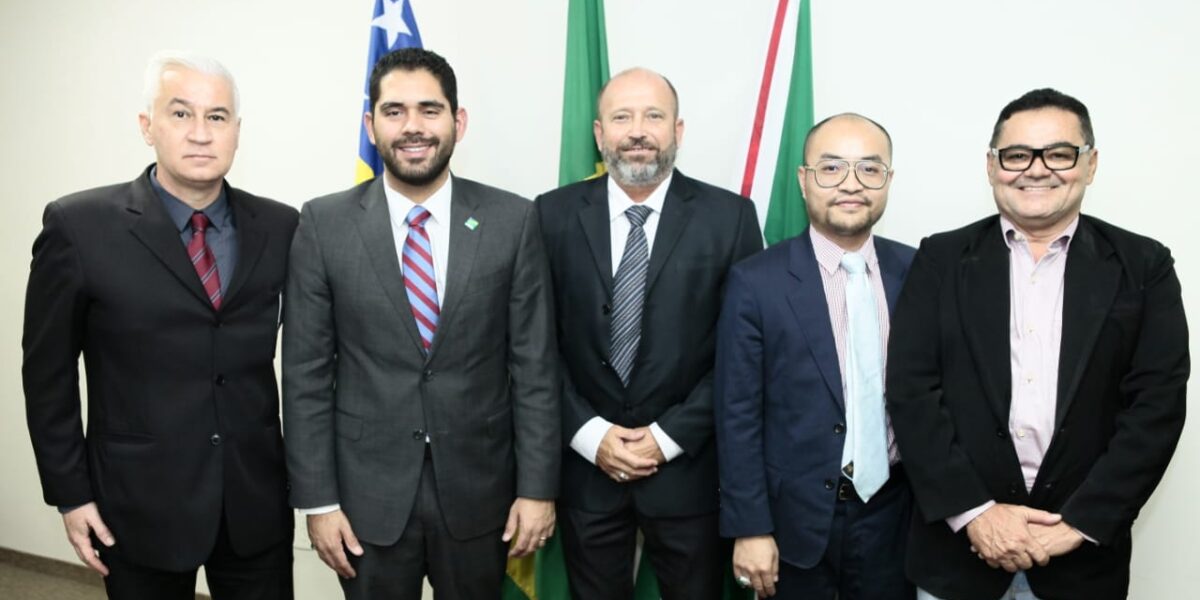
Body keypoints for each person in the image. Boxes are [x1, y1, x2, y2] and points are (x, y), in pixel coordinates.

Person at [887, 88, 1188, 600]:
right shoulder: (940, 259)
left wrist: (1080, 523)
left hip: (1082, 563)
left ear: (1090, 164)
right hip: (957, 558)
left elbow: (1156, 407)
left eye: (1060, 153)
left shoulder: (1144, 266)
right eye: (1017, 155)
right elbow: (912, 393)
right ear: (991, 166)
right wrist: (976, 514)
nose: (1037, 169)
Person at [282, 47, 559, 599]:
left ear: (458, 121)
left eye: (430, 110)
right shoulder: (323, 223)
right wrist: (318, 502)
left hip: (483, 498)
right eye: (394, 111)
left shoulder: (514, 220)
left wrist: (537, 490)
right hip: (366, 502)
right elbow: (306, 374)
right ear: (371, 124)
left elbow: (534, 367)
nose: (413, 127)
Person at [22, 51, 297, 599]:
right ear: (147, 126)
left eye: (217, 117)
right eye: (180, 114)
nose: (200, 133)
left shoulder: (283, 225)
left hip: (254, 505)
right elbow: (47, 374)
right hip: (135, 506)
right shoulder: (79, 226)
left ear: (237, 132)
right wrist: (71, 495)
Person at [535, 67, 763, 600]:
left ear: (678, 131)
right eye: (622, 117)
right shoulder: (551, 214)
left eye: (653, 116)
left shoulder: (729, 218)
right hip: (586, 474)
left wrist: (665, 440)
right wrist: (591, 435)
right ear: (598, 133)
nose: (638, 131)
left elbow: (743, 357)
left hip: (689, 475)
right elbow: (534, 346)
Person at [715, 113, 915, 599]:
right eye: (831, 169)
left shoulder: (918, 271)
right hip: (792, 526)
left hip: (898, 521)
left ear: (889, 180)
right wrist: (751, 527)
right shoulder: (756, 281)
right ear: (804, 182)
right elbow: (737, 413)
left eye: (870, 169)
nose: (851, 184)